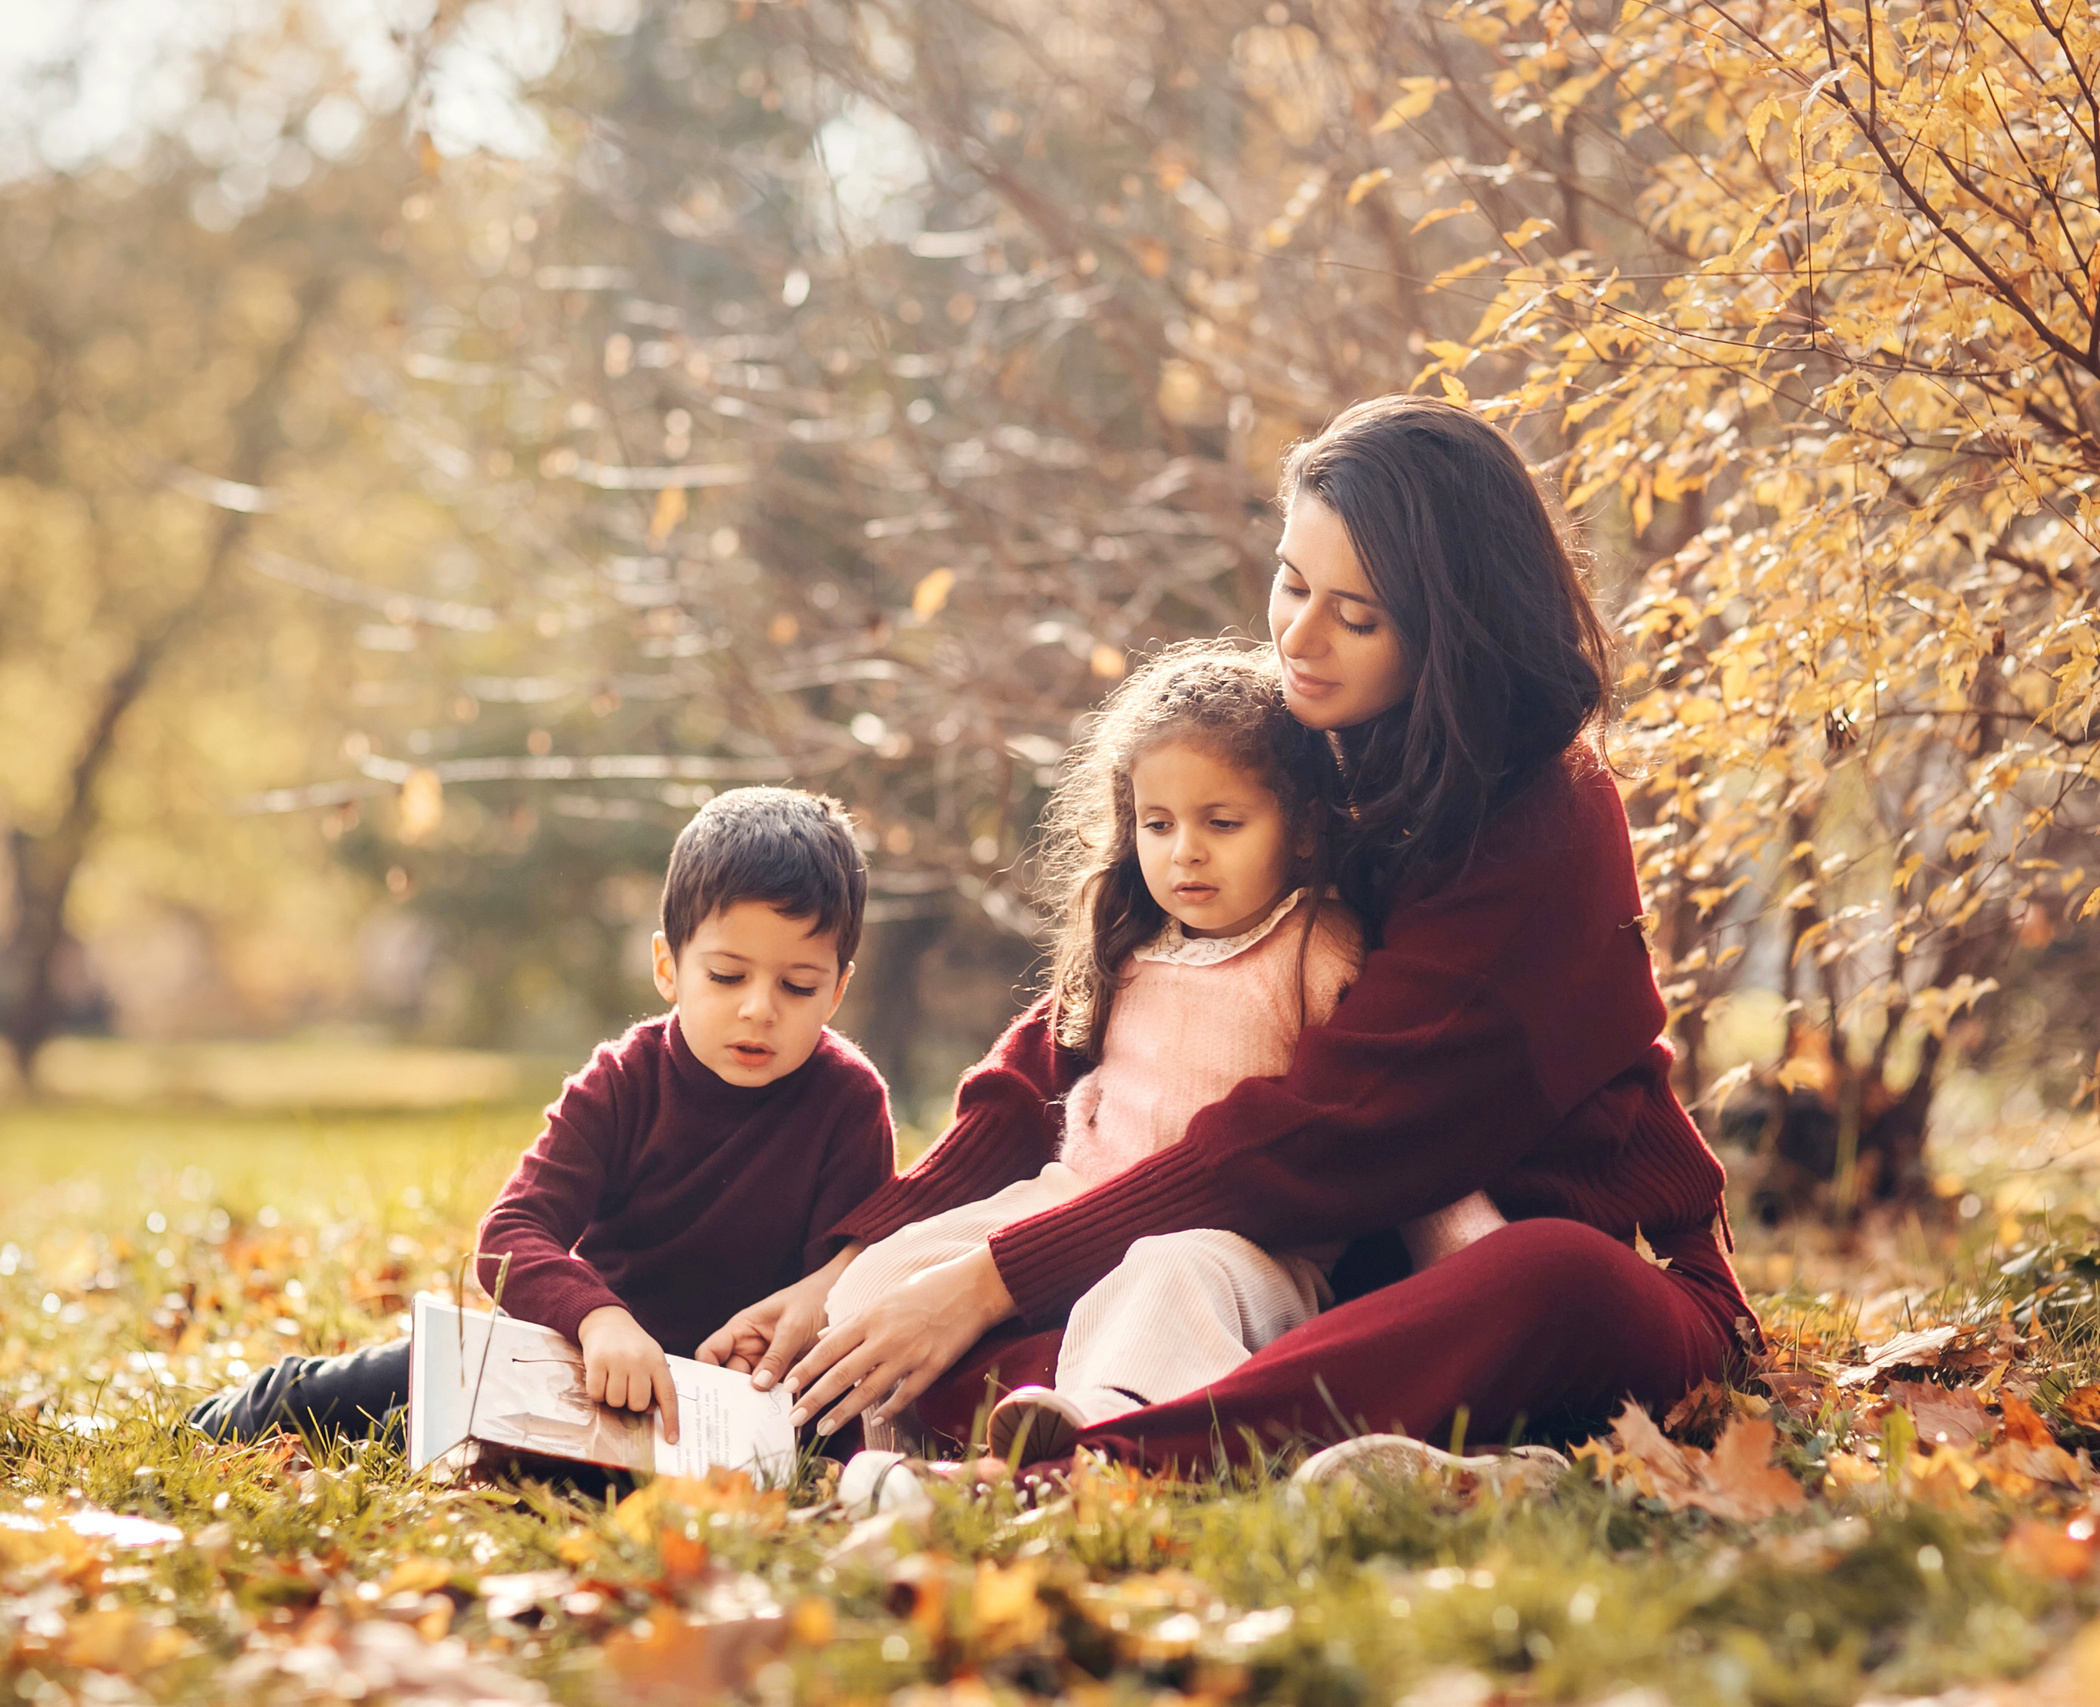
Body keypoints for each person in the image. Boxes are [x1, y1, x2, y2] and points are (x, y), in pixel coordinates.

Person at [704, 395, 1758, 1476]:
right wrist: (852, 1266)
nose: (1297, 639)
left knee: (1545, 1278)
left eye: (1357, 616)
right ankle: (1091, 1434)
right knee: (996, 1323)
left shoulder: (1544, 824)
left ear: (1455, 630)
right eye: (1291, 583)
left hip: (1549, 1276)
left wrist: (989, 1277)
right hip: (1334, 1275)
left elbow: (1329, 1130)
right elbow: (1092, 1023)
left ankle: (1095, 1467)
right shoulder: (1315, 745)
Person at [784, 644, 1501, 1464]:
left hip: (1245, 1247)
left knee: (1165, 1272)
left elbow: (1391, 1121)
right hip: (1076, 1197)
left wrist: (1478, 1265)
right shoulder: (1128, 943)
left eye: (1221, 823)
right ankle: (890, 1452)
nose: (1183, 851)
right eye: (1158, 824)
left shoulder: (1317, 947)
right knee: (884, 1276)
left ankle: (1098, 1434)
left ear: (1303, 830)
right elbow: (1015, 1094)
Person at [184, 787, 894, 1451]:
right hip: (579, 1363)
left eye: (797, 985)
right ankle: (223, 1418)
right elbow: (507, 1236)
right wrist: (598, 1317)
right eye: (727, 975)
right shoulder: (621, 1082)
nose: (759, 1008)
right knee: (391, 1388)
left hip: (733, 1409)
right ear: (667, 966)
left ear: (837, 990)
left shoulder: (849, 1104)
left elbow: (851, 1285)